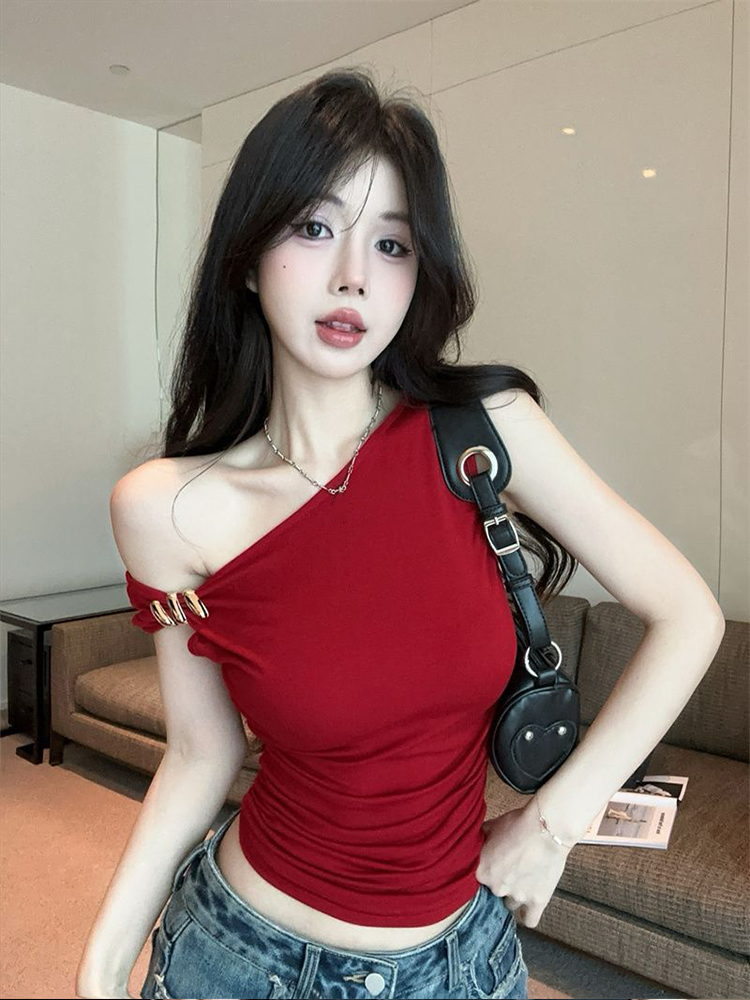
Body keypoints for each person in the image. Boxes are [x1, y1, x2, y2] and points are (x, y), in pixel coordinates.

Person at [75, 67, 583, 1000]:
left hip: (460, 969)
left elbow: (686, 615)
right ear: (246, 256)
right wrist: (103, 964)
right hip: (240, 955)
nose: (353, 274)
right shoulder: (164, 509)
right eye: (314, 228)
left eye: (391, 243)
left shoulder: (483, 435)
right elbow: (200, 752)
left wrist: (555, 822)